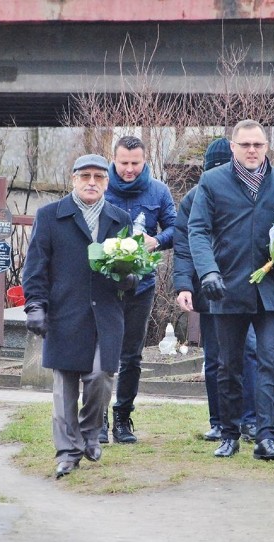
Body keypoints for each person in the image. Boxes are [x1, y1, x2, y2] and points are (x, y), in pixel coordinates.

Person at [188, 120, 274, 461]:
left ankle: (267, 438)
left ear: (266, 146)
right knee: (229, 365)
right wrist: (208, 271)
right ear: (233, 147)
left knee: (269, 360)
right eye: (245, 145)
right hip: (226, 288)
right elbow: (197, 230)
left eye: (258, 144)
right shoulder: (212, 182)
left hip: (271, 288)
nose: (252, 150)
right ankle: (229, 433)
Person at [22, 153, 137, 479]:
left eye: (98, 177)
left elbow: (134, 267)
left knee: (101, 378)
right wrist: (35, 306)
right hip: (65, 314)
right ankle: (67, 453)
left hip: (106, 317)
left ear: (107, 182)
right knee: (65, 389)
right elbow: (35, 268)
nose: (91, 182)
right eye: (85, 176)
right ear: (73, 179)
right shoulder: (50, 216)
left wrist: (129, 277)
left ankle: (89, 435)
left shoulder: (119, 219)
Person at [173, 137, 259, 442]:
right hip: (208, 290)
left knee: (246, 351)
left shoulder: (252, 195)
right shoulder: (193, 199)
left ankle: (249, 420)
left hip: (243, 289)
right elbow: (183, 246)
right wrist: (184, 285)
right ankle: (220, 421)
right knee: (214, 358)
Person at [102, 135, 177, 444]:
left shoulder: (158, 191)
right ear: (114, 160)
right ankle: (96, 418)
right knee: (101, 353)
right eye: (124, 163)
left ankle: (122, 418)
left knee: (131, 356)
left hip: (142, 285)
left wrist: (156, 240)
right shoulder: (100, 187)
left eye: (135, 163)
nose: (129, 170)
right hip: (104, 285)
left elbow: (177, 228)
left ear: (144, 161)